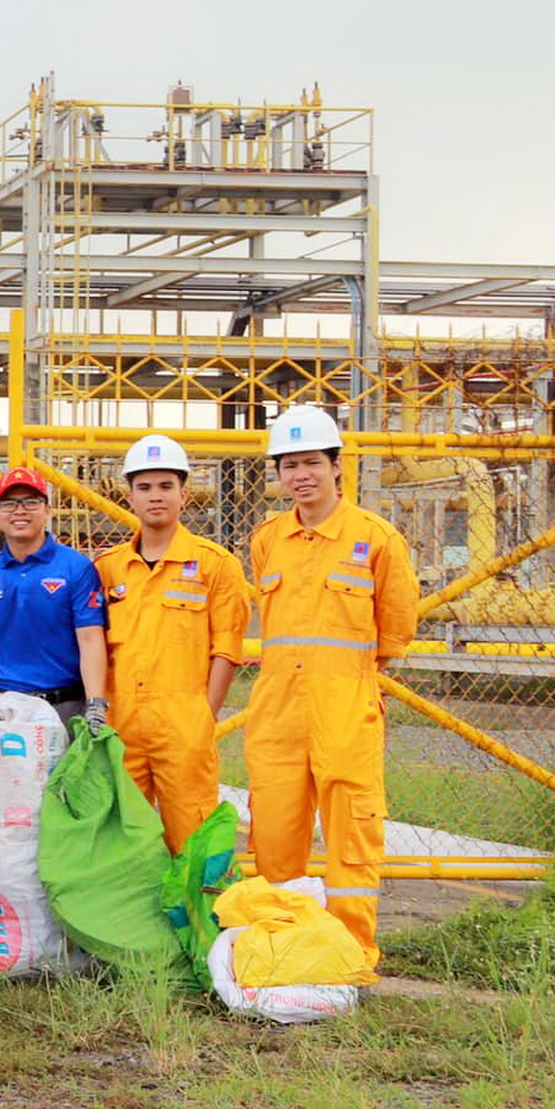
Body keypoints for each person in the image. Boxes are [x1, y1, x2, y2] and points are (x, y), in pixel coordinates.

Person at [247, 405, 416, 967]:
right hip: (276, 714)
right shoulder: (267, 540)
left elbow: (395, 633)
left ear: (336, 466)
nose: (301, 475)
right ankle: (280, 948)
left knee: (351, 835)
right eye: (290, 465)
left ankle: (351, 956)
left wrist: (345, 682)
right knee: (273, 835)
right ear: (278, 474)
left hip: (345, 709)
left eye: (312, 463)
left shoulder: (376, 539)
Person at [93, 435, 251, 853]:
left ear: (184, 493)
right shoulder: (108, 570)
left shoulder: (215, 565)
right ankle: (133, 920)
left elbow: (227, 648)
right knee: (126, 841)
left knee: (193, 839)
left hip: (184, 725)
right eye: (144, 487)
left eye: (166, 486)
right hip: (122, 724)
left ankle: (195, 919)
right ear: (130, 497)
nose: (155, 497)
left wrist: (204, 717)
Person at [0, 465, 109, 725]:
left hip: (65, 705)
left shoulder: (75, 567)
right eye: (9, 503)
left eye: (31, 501)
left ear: (48, 509)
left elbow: (91, 638)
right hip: (7, 707)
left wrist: (95, 703)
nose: (20, 511)